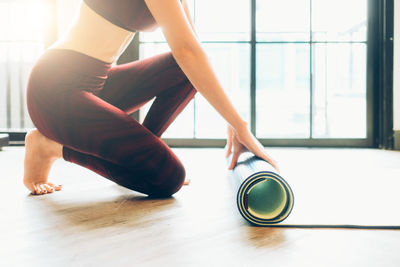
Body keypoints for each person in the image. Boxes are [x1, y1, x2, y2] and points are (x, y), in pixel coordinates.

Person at [24, 0, 279, 196]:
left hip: (96, 84)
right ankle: (51, 146)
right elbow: (187, 52)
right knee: (169, 179)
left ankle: (138, 156)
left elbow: (193, 55)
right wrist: (240, 125)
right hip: (55, 91)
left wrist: (232, 119)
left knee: (185, 71)